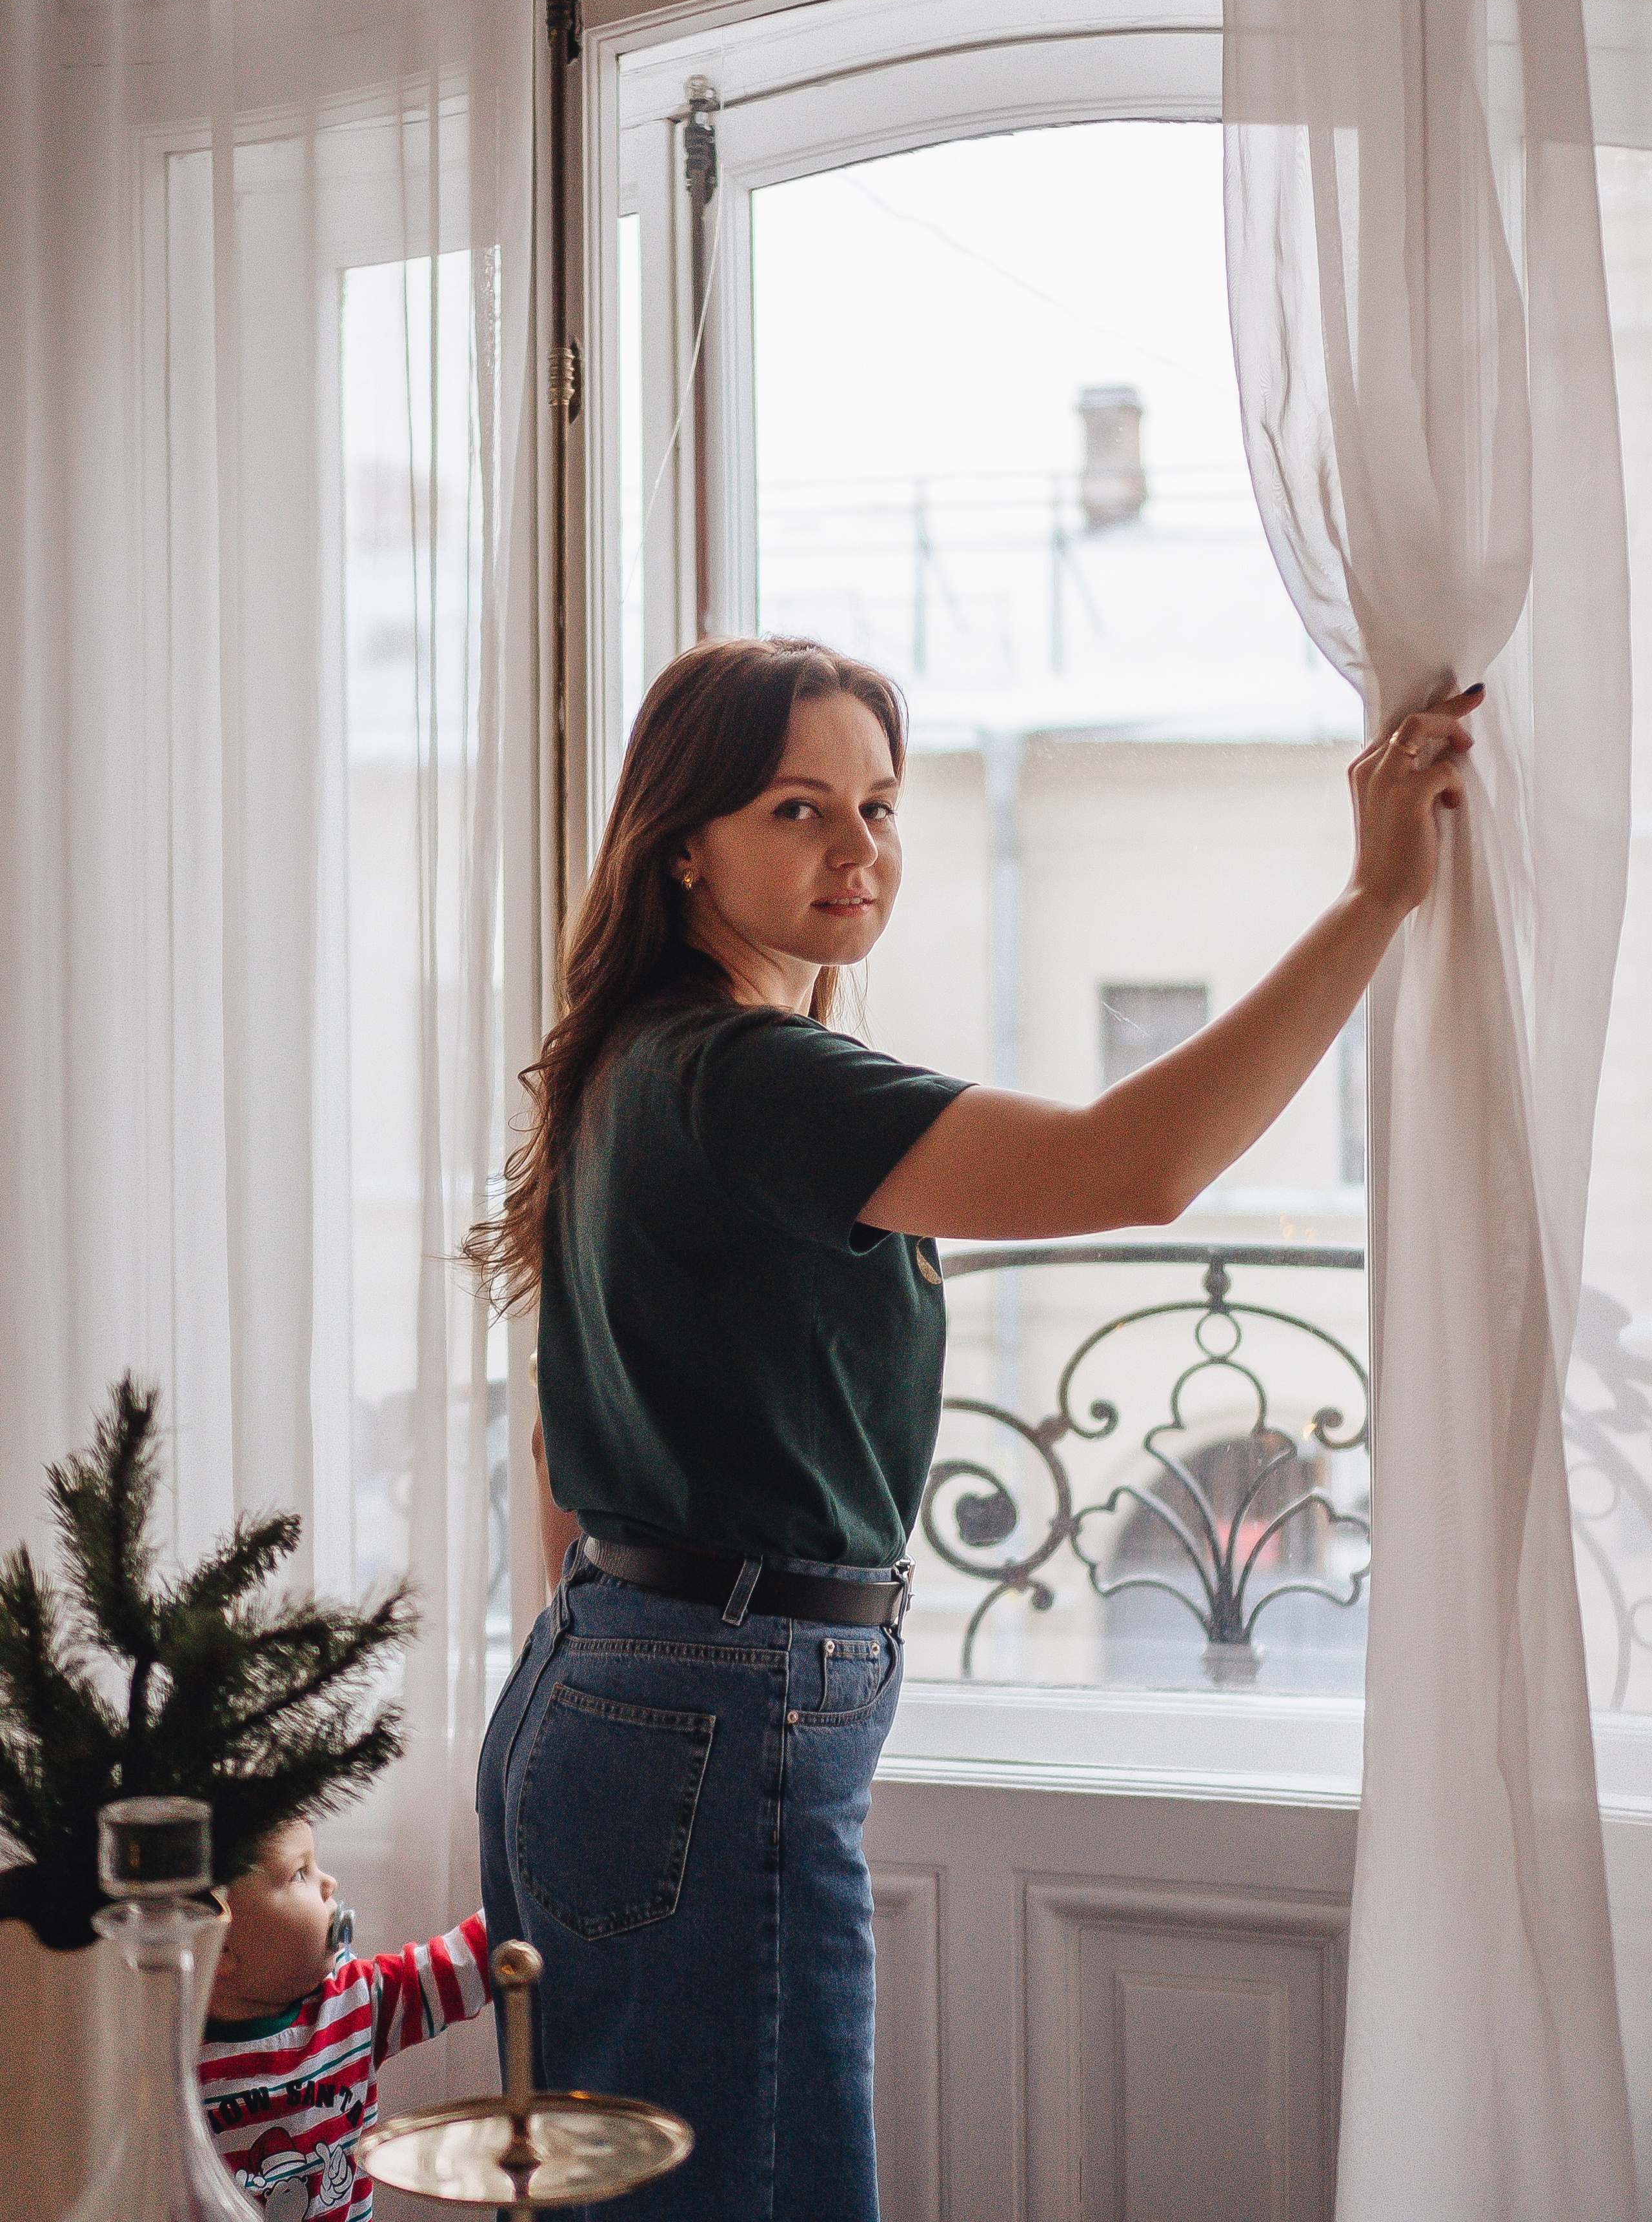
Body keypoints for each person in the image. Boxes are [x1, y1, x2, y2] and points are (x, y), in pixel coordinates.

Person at [467, 635, 1478, 2222]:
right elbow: (1125, 1166)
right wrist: (1369, 901)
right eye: (796, 808)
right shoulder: (753, 1075)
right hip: (712, 1708)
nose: (856, 848)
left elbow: (551, 1444)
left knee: (658, 2190)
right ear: (683, 839)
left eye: (875, 804)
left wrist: (633, 1663)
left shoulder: (632, 1063)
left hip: (607, 1682)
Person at [197, 1817, 492, 2219]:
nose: (329, 1882)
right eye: (299, 1873)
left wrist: (516, 1915)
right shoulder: (178, 2057)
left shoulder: (356, 2000)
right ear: (222, 1946)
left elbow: (454, 1969)